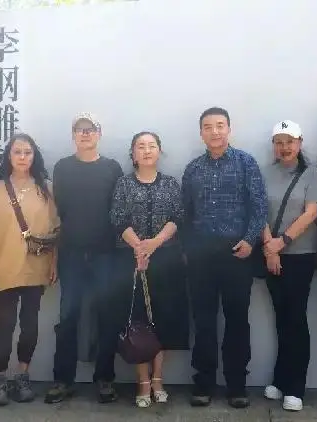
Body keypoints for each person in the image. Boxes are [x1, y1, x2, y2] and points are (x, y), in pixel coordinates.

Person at [182, 107, 268, 408]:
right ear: (201, 133)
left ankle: (236, 385)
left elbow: (259, 206)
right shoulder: (193, 169)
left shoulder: (246, 162)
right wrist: (188, 249)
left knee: (237, 321)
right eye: (208, 127)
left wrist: (250, 240)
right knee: (203, 321)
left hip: (237, 253)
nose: (215, 131)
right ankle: (203, 383)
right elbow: (185, 213)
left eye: (220, 125)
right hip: (201, 256)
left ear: (229, 129)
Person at [44, 113, 124, 404]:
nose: (86, 134)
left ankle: (104, 379)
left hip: (106, 254)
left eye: (91, 129)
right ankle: (62, 380)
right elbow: (59, 212)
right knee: (68, 317)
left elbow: (118, 209)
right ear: (73, 135)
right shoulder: (62, 168)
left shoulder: (112, 168)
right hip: (72, 254)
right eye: (80, 130)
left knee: (107, 316)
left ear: (99, 134)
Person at [110, 131, 189, 408]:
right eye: (140, 146)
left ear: (159, 151)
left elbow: (177, 217)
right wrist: (139, 248)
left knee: (162, 320)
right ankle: (142, 381)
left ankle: (158, 379)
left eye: (151, 146)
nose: (146, 151)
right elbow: (118, 219)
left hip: (165, 259)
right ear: (133, 153)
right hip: (131, 260)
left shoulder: (170, 183)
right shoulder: (123, 184)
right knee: (138, 321)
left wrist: (154, 243)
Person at [0, 134, 60, 407]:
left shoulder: (46, 188)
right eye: (17, 152)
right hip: (4, 264)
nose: (23, 157)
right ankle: (0, 379)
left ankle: (22, 376)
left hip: (37, 265)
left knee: (29, 322)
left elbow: (55, 230)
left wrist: (54, 263)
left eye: (27, 152)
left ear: (34, 156)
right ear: (9, 156)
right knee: (5, 322)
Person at [260, 120, 317, 412]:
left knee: (295, 318)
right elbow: (260, 212)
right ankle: (280, 379)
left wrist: (282, 242)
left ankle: (295, 387)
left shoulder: (312, 173)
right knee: (281, 318)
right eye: (279, 142)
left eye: (290, 141)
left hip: (300, 255)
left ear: (300, 143)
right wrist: (269, 248)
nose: (285, 147)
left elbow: (311, 213)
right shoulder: (264, 173)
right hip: (270, 253)